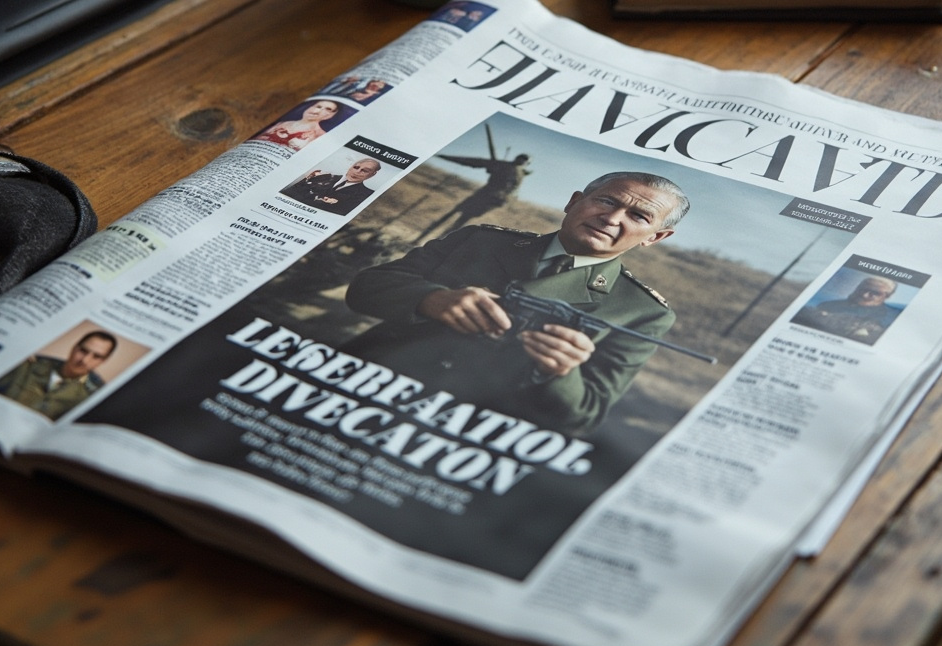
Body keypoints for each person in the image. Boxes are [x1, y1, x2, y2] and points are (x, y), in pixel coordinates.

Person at [344, 172, 690, 436]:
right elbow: (364, 288)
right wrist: (429, 299)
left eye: (639, 217)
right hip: (361, 382)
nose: (613, 219)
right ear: (574, 202)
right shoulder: (480, 239)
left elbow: (582, 417)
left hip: (459, 429)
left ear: (656, 238)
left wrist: (560, 373)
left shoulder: (642, 312)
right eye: (606, 201)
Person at [0, 330, 118, 420]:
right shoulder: (28, 364)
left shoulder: (96, 396)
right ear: (74, 347)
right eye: (83, 351)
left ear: (103, 361)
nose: (84, 360)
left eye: (96, 356)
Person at [415, 151, 532, 241]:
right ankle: (422, 239)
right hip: (485, 195)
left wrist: (495, 170)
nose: (521, 160)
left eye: (524, 160)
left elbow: (507, 187)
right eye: (520, 158)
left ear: (527, 164)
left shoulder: (515, 172)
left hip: (490, 199)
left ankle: (434, 241)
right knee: (455, 215)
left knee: (461, 219)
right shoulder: (505, 166)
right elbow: (473, 161)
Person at [793, 275, 901, 344]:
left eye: (875, 293)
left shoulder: (893, 316)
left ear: (888, 296)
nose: (865, 295)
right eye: (862, 289)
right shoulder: (828, 305)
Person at [282, 158, 381, 214]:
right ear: (351, 166)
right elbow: (289, 193)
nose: (357, 172)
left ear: (372, 174)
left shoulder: (366, 195)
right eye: (356, 167)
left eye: (365, 170)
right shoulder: (322, 176)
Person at [253, 99, 342, 150]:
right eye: (318, 106)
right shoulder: (280, 124)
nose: (317, 111)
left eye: (327, 109)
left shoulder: (320, 136)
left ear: (330, 115)